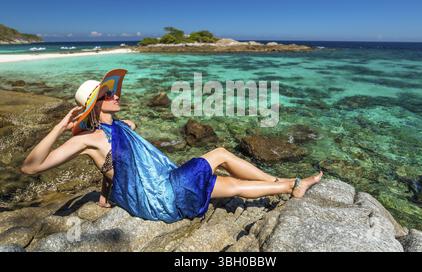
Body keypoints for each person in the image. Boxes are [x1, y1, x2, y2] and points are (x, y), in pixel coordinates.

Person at [21, 69, 323, 223]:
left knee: (229, 184)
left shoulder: (121, 128)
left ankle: (289, 185)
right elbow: (31, 166)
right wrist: (62, 125)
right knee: (218, 154)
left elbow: (114, 166)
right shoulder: (86, 139)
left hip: (160, 190)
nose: (115, 95)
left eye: (112, 91)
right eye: (108, 94)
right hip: (161, 196)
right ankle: (286, 183)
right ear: (96, 106)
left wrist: (105, 197)